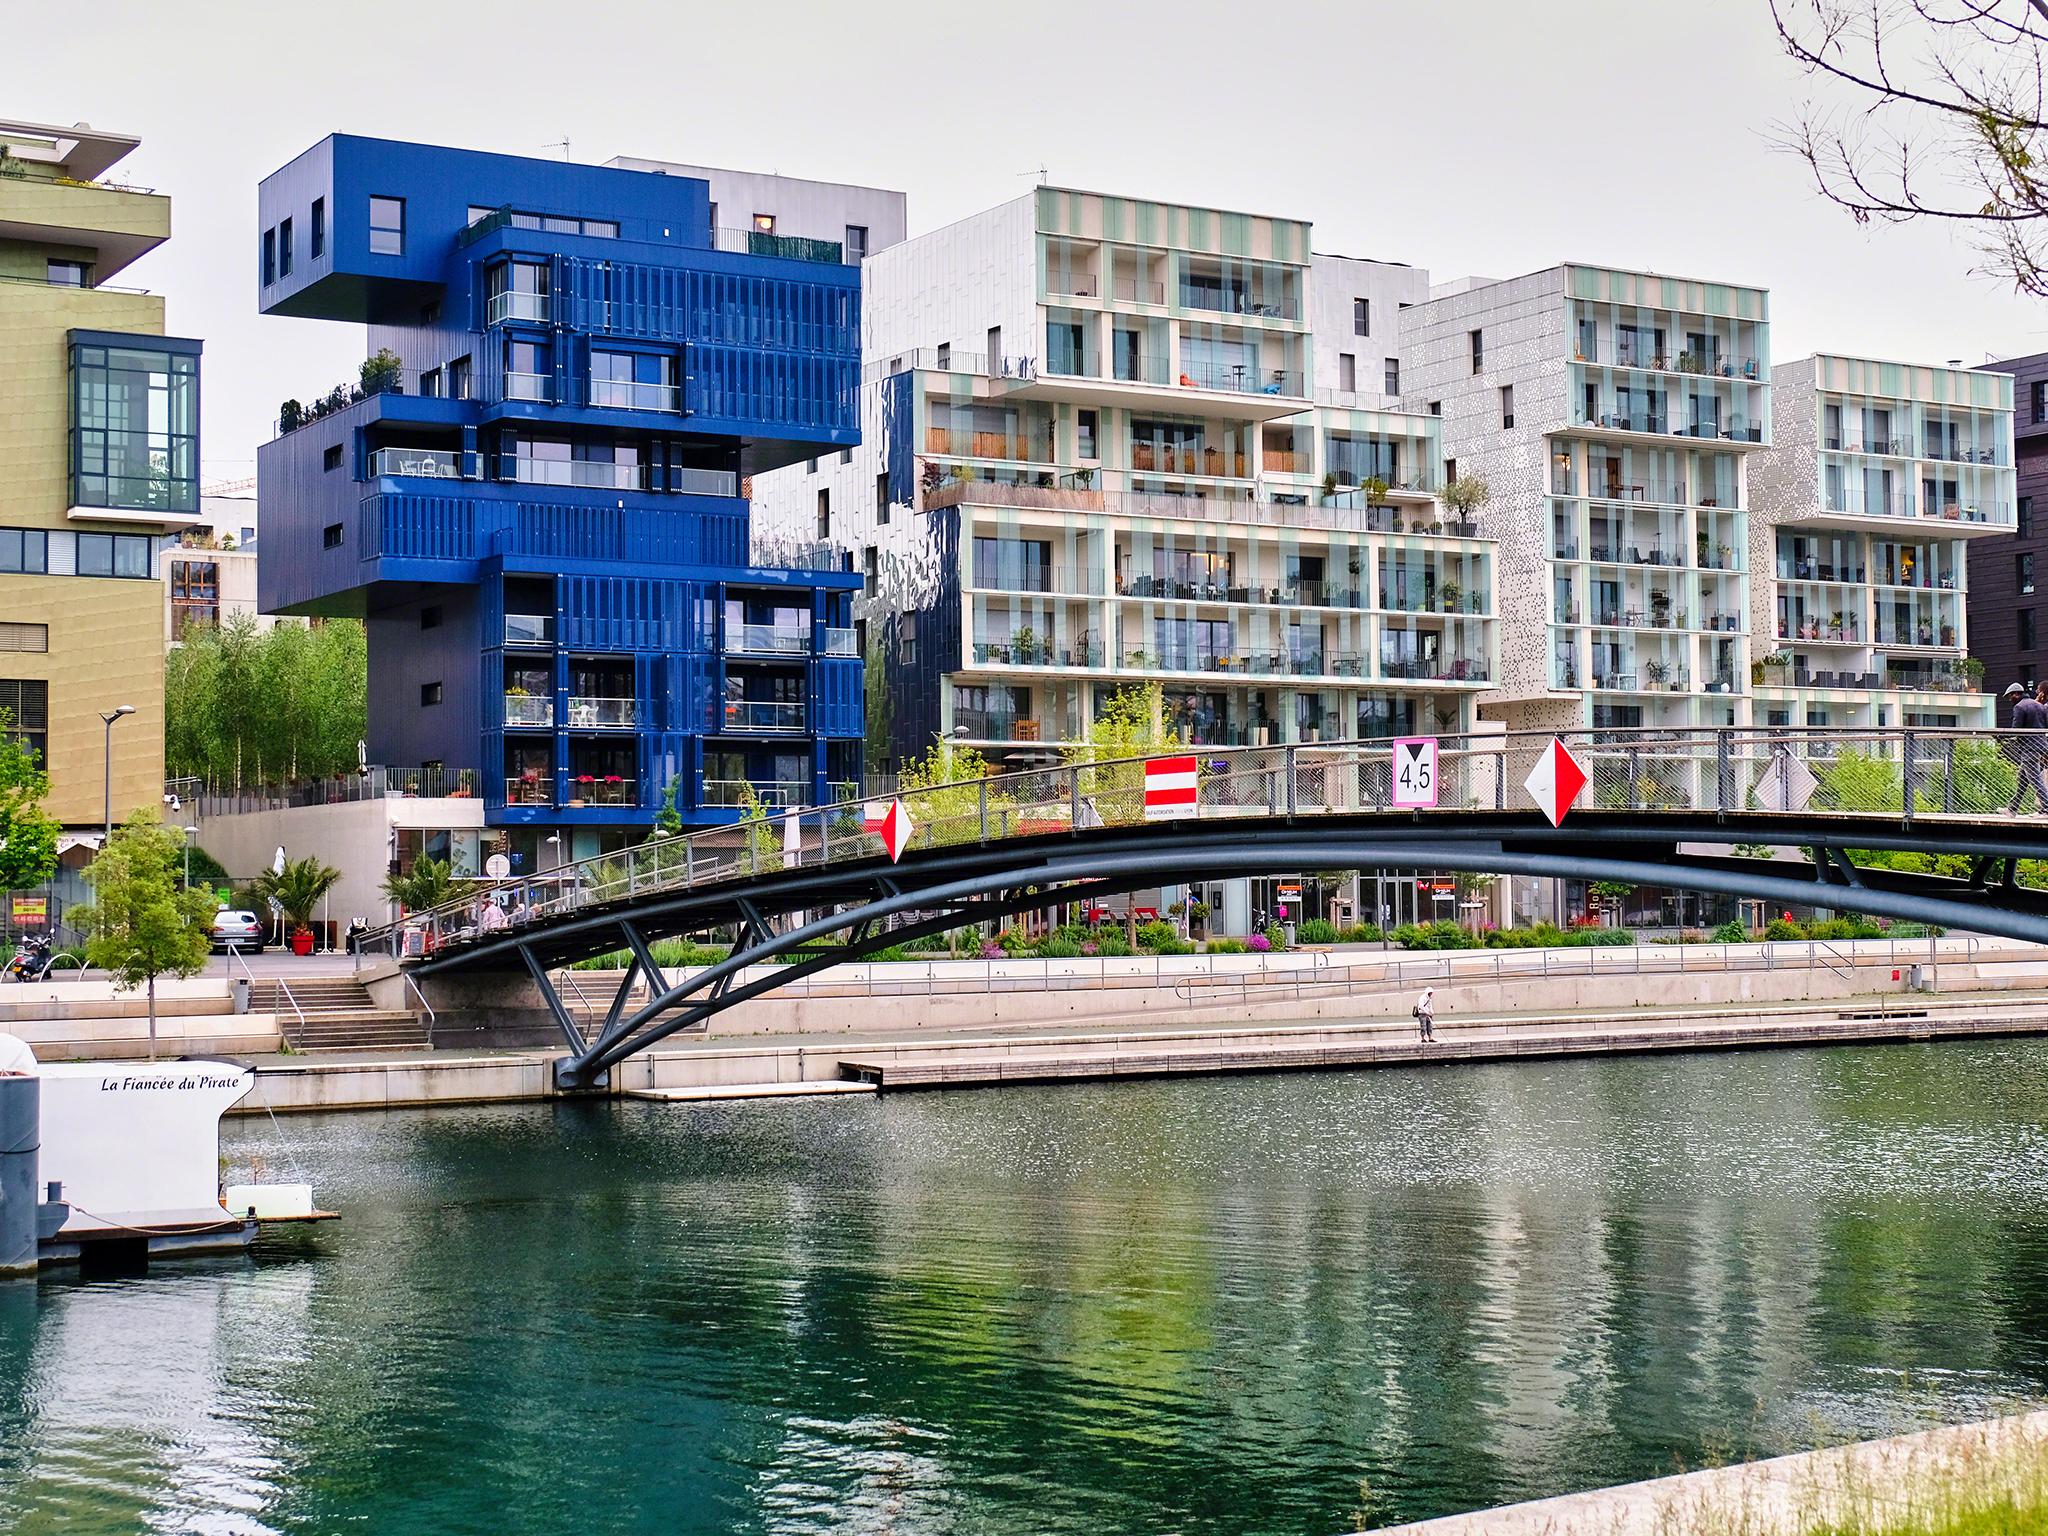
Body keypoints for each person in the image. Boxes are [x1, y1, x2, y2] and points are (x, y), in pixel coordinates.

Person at [2010, 682, 2048, 814]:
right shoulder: (2040, 706)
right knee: (2022, 779)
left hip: (2029, 749)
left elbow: (2016, 730)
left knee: (2035, 780)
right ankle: (2012, 809)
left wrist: (2008, 737)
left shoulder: (2019, 707)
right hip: (2041, 747)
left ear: (2016, 694)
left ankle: (2047, 808)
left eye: (2010, 696)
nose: (2010, 699)